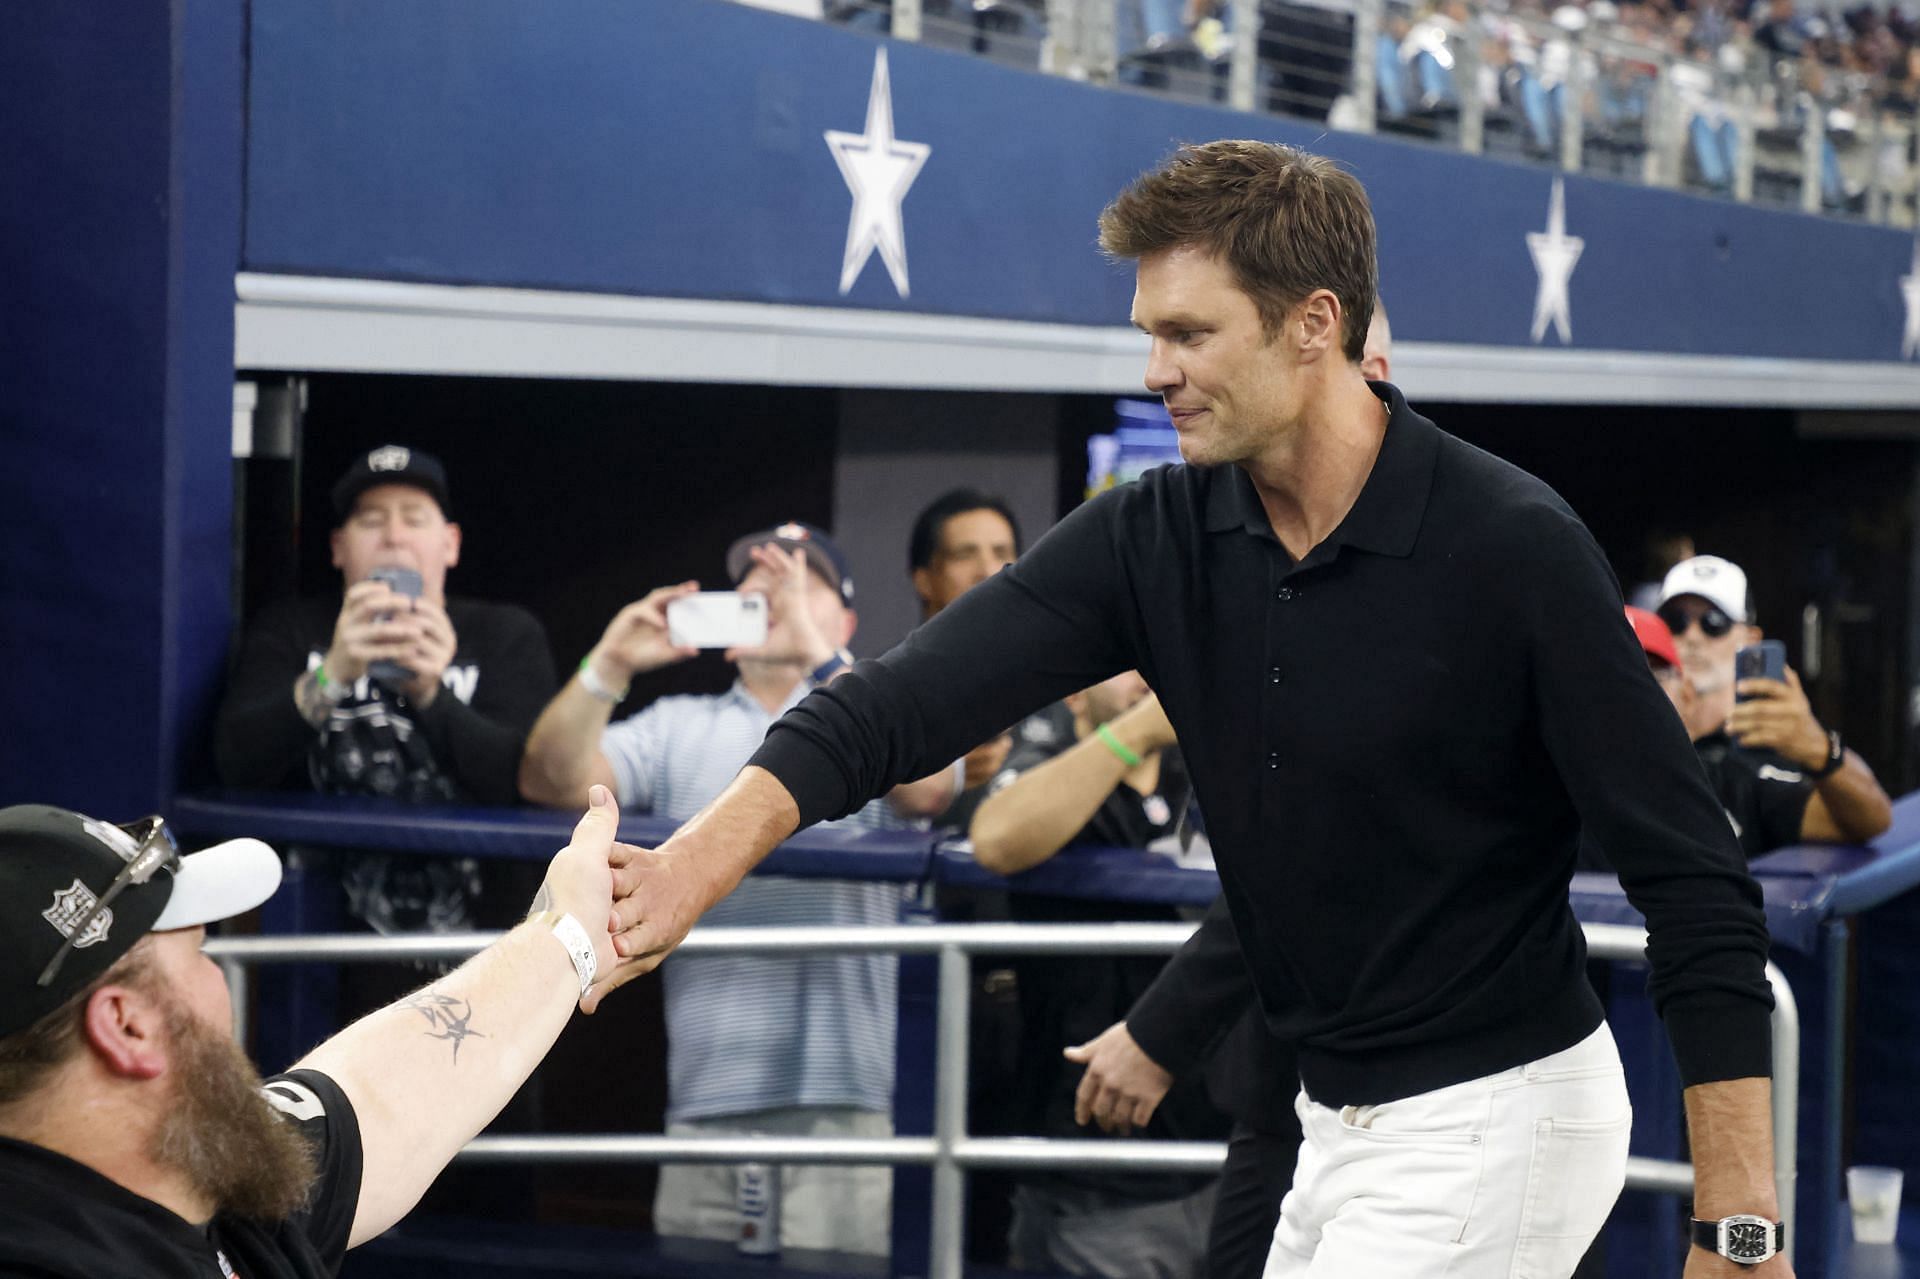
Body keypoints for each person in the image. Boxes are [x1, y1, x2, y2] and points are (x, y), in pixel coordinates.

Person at [593, 141, 1787, 1278]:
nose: (1154, 368)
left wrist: (1739, 1223)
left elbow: (1695, 884)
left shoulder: (1513, 545)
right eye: (1150, 333)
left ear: (1314, 324)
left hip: (1501, 1115)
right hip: (1332, 1118)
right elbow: (897, 703)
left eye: (1187, 333)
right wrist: (697, 863)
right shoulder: (1154, 534)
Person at [1061, 297, 1395, 1279]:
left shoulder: (1461, 551)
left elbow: (1329, 846)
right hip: (1280, 1089)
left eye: (1190, 337)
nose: (1163, 371)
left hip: (1432, 1095)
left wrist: (1160, 1029)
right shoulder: (1209, 548)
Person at [517, 521, 953, 1256]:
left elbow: (933, 789)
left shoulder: (879, 714)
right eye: (754, 580)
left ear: (843, 618)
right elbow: (550, 780)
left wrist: (823, 654)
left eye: (798, 577)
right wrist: (608, 666)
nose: (769, 587)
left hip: (845, 1096)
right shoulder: (678, 724)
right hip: (707, 1096)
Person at [0, 790, 623, 1277]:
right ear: (127, 1026)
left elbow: (380, 1098)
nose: (219, 980)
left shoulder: (195, 1170)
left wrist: (568, 934)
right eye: (199, 951)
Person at [211, 445, 558, 939]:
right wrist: (333, 674)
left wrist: (431, 695)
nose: (394, 538)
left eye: (414, 519)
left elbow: (530, 782)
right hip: (314, 938)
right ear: (338, 547)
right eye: (371, 521)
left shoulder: (504, 634)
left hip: (476, 939)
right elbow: (235, 762)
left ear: (451, 544)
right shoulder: (291, 628)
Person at [967, 672, 1227, 1276]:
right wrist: (1136, 731)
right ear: (1076, 690)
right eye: (1126, 657)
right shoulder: (1049, 762)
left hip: (1227, 1151)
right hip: (1097, 1171)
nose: (1149, 671)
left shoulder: (1208, 766)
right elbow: (995, 838)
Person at [1654, 554, 1892, 856]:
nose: (1692, 637)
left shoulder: (1757, 763)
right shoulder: (1628, 740)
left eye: (1714, 623)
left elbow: (1872, 820)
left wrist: (1820, 750)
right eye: (1676, 622)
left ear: (1750, 640)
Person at [908, 489, 1025, 794]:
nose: (988, 571)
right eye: (964, 555)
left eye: (1002, 553)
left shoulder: (1064, 686)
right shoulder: (888, 684)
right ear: (924, 579)